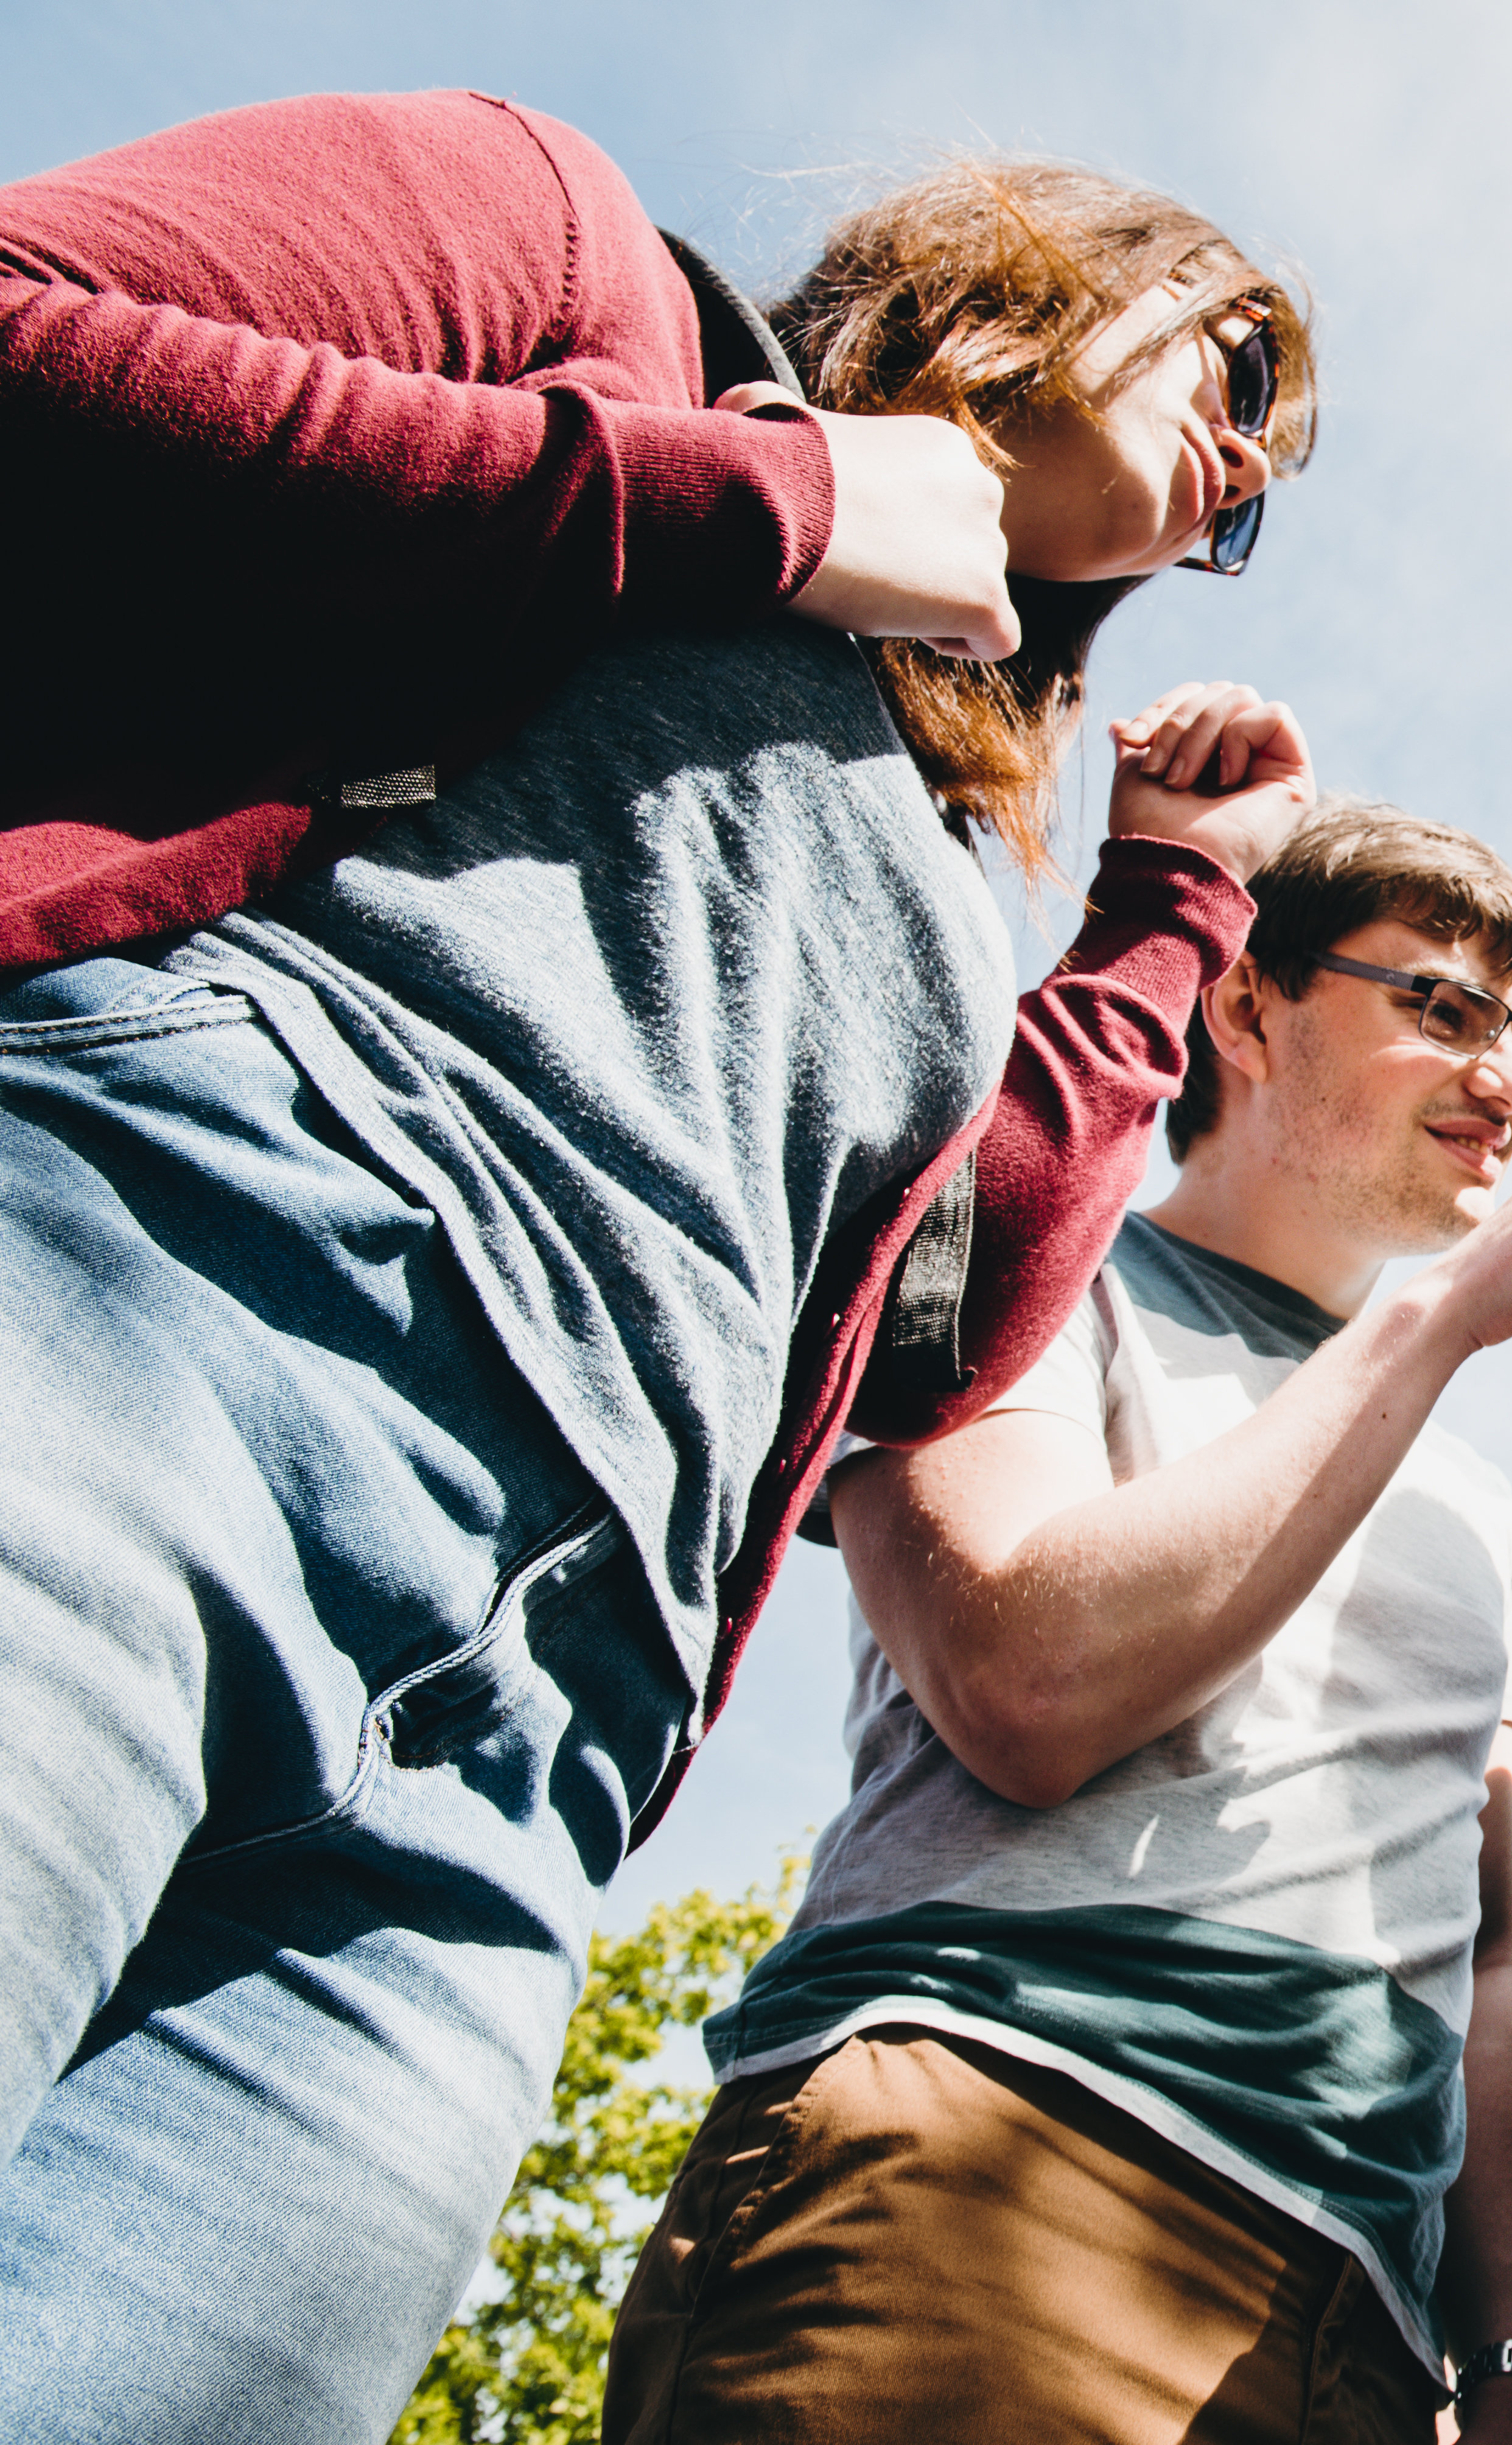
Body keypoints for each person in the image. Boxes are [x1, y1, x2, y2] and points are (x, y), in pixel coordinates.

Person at [0, 90, 1325, 2440]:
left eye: (1268, 485)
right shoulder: (580, 265)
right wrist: (774, 502)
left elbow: (926, 1327)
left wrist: (1166, 908)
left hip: (516, 1759)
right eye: (1239, 370)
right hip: (177, 1310)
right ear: (1046, 261)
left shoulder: (941, 826)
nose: (1246, 469)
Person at [602, 806, 1512, 2444]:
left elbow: (1480, 1957)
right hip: (1002, 2164)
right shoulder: (1042, 1271)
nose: (1509, 1079)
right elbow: (1022, 1680)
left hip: (1359, 2318)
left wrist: (1510, 2358)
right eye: (1439, 1008)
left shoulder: (1466, 1496)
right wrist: (1447, 1316)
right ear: (1249, 1009)